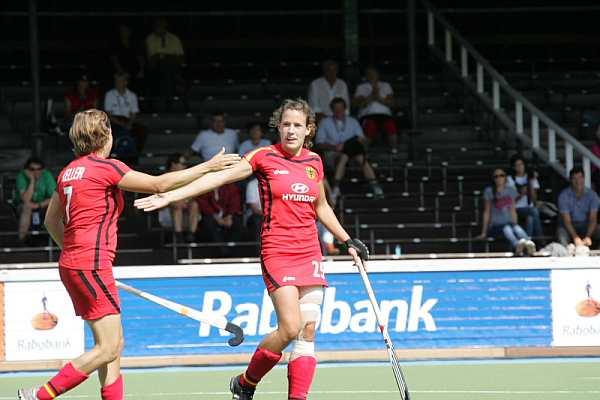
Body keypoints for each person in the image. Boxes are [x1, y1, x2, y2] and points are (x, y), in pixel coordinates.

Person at [134, 98, 366, 400]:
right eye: (286, 124)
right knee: (290, 327)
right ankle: (246, 382)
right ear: (278, 127)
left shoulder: (314, 162)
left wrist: (348, 240)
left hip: (309, 251)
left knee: (307, 331)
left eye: (297, 125)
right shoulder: (264, 156)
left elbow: (321, 206)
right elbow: (219, 177)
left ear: (308, 129)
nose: (291, 130)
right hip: (278, 251)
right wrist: (171, 195)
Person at [17, 109, 240, 400]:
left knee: (112, 344)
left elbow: (50, 221)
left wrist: (73, 254)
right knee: (108, 347)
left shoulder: (68, 172)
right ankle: (40, 395)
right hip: (90, 263)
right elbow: (159, 185)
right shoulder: (106, 167)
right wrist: (208, 166)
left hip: (76, 263)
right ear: (106, 135)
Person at [316, 97, 384, 204]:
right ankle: (375, 185)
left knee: (355, 154)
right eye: (336, 109)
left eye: (340, 108)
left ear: (345, 109)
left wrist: (351, 143)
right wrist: (335, 147)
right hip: (333, 153)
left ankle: (335, 188)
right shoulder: (325, 122)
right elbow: (319, 143)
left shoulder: (353, 121)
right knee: (348, 156)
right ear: (332, 110)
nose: (338, 111)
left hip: (353, 151)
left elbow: (362, 139)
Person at [477, 168, 536, 256]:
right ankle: (517, 246)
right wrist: (484, 233)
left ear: (505, 177)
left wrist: (515, 223)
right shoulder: (489, 191)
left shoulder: (510, 190)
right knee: (507, 228)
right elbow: (487, 211)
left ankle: (529, 244)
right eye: (496, 176)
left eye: (501, 175)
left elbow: (512, 209)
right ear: (493, 178)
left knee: (517, 228)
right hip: (495, 226)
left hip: (509, 222)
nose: (499, 178)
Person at [352, 65, 398, 148]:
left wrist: (379, 97)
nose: (371, 75)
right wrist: (372, 96)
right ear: (366, 75)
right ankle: (364, 153)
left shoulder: (386, 85)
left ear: (378, 74)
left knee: (391, 126)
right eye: (369, 74)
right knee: (370, 127)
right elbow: (359, 104)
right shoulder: (361, 87)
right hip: (367, 115)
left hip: (385, 115)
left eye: (373, 73)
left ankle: (394, 151)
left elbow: (392, 103)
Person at [145, 17, 185, 111]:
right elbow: (152, 59)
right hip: (155, 69)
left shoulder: (174, 38)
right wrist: (169, 56)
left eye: (161, 24)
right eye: (157, 24)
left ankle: (168, 100)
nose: (159, 26)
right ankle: (170, 98)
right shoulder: (150, 38)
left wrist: (162, 56)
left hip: (172, 67)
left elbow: (181, 58)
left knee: (168, 69)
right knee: (166, 69)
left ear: (165, 25)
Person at [14, 157, 56, 242]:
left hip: (42, 205)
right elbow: (26, 199)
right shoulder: (21, 176)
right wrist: (32, 181)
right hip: (22, 206)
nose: (36, 171)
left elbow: (55, 197)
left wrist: (38, 205)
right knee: (26, 208)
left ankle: (56, 242)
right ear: (26, 170)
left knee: (56, 208)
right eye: (32, 169)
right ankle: (21, 241)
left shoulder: (47, 175)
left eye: (39, 169)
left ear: (43, 169)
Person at [103, 72, 146, 156]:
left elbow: (134, 113)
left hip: (128, 120)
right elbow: (108, 114)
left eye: (120, 81)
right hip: (114, 120)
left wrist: (129, 123)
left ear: (125, 82)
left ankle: (136, 154)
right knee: (111, 131)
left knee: (142, 130)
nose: (118, 83)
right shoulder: (109, 94)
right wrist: (121, 123)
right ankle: (112, 154)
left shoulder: (132, 95)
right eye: (116, 81)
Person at [557, 167, 600, 248]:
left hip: (586, 224)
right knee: (561, 235)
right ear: (570, 180)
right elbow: (567, 221)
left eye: (580, 178)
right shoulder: (563, 196)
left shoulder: (592, 195)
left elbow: (593, 219)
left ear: (584, 179)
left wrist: (588, 236)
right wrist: (575, 237)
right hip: (569, 225)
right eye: (574, 178)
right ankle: (566, 255)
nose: (578, 181)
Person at [162, 153, 200, 243]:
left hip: (186, 207)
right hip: (168, 209)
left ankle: (191, 235)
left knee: (194, 204)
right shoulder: (163, 178)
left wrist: (186, 201)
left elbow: (193, 193)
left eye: (185, 164)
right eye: (182, 163)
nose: (185, 166)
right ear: (173, 164)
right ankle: (178, 236)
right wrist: (176, 202)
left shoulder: (188, 177)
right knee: (177, 205)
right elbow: (161, 197)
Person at [506, 154, 544, 241]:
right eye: (517, 165)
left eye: (521, 164)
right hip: (516, 208)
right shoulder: (510, 179)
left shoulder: (531, 177)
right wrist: (521, 194)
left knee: (530, 218)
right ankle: (541, 239)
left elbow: (534, 200)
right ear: (513, 167)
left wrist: (531, 185)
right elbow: (510, 201)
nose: (520, 167)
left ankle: (527, 242)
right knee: (534, 211)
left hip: (529, 207)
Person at [196, 183, 243, 250]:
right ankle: (222, 250)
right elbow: (203, 203)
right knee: (208, 223)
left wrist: (229, 216)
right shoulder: (205, 187)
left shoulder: (229, 186)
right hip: (211, 215)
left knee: (238, 224)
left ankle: (231, 248)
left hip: (227, 214)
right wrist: (216, 217)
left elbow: (235, 201)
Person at [109, 24, 145, 92]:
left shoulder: (135, 42)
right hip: (121, 72)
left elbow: (140, 58)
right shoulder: (115, 44)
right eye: (122, 31)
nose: (124, 32)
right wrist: (122, 72)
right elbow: (114, 60)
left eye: (126, 30)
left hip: (135, 71)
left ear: (130, 31)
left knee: (140, 83)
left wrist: (141, 70)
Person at [245, 178, 262, 243]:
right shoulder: (252, 185)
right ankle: (259, 247)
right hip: (257, 214)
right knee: (257, 220)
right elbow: (254, 209)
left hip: (273, 213)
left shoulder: (275, 183)